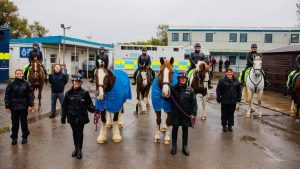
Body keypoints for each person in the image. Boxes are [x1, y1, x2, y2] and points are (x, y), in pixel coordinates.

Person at [61, 73, 97, 159]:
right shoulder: (68, 93)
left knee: (80, 133)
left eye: (78, 81)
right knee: (74, 133)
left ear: (80, 82)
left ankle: (80, 149)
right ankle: (76, 148)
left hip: (81, 117)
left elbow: (89, 105)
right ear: (72, 82)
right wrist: (63, 117)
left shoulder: (85, 93)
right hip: (71, 117)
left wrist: (96, 109)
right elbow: (64, 106)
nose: (76, 83)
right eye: (75, 81)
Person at [170, 70, 197, 156]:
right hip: (176, 114)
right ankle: (174, 146)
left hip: (186, 114)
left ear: (186, 79)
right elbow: (168, 99)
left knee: (185, 130)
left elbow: (194, 103)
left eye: (184, 78)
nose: (183, 79)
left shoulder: (190, 90)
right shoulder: (173, 89)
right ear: (178, 79)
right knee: (175, 129)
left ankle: (185, 146)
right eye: (181, 78)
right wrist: (164, 94)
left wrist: (194, 113)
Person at [5, 69, 33, 145]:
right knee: (14, 123)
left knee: (24, 123)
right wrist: (7, 106)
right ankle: (14, 138)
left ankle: (25, 137)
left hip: (24, 107)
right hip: (14, 107)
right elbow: (7, 95)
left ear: (22, 74)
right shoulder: (11, 83)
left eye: (20, 73)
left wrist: (30, 105)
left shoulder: (27, 83)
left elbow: (30, 95)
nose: (18, 75)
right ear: (15, 75)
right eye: (17, 73)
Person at [216, 68, 241, 132]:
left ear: (232, 73)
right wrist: (218, 97)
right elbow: (218, 89)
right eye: (228, 72)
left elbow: (239, 90)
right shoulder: (222, 80)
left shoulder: (236, 80)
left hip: (233, 101)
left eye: (231, 72)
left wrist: (239, 97)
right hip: (225, 100)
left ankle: (230, 125)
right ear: (226, 73)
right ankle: (224, 125)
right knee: (224, 114)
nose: (230, 73)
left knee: (231, 114)